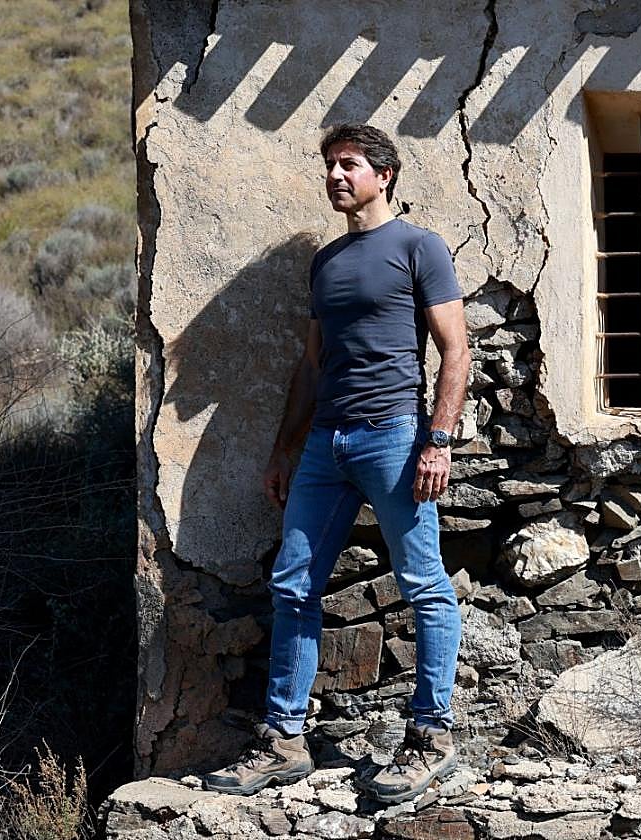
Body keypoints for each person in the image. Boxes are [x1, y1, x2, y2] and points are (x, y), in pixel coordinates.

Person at [202, 124, 469, 803]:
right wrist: (286, 445)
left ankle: (431, 735)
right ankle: (285, 739)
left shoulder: (419, 247)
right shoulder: (326, 262)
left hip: (395, 437)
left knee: (423, 584)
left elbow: (455, 351)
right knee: (293, 585)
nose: (335, 176)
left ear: (385, 174)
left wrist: (438, 441)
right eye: (328, 165)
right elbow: (312, 364)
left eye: (348, 164)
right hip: (327, 444)